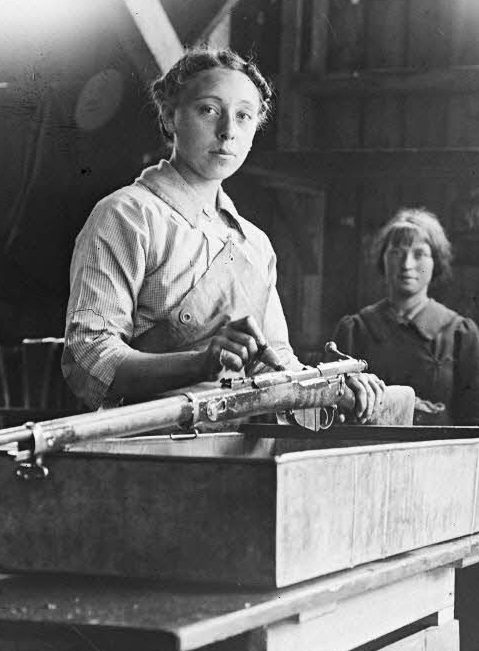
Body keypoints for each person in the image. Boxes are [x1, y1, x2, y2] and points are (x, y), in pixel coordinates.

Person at [63, 47, 384, 419]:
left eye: (244, 116)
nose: (228, 131)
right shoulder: (128, 216)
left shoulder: (254, 244)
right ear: (169, 116)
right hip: (145, 439)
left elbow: (275, 365)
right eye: (209, 110)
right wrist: (200, 363)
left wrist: (332, 387)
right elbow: (89, 358)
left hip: (235, 440)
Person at [332, 208, 479, 427]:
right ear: (383, 259)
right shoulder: (354, 330)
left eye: (419, 254)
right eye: (396, 252)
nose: (407, 264)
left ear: (435, 262)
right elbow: (329, 410)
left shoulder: (460, 334)